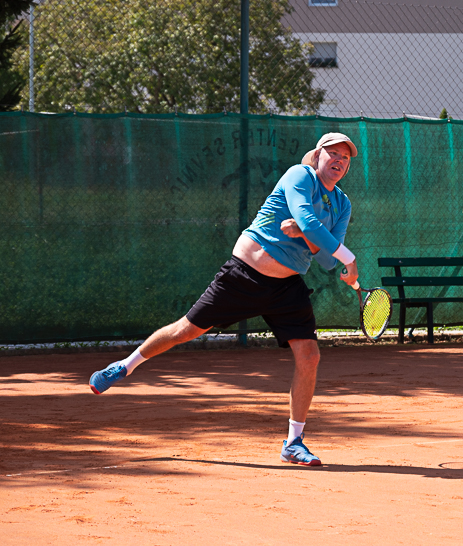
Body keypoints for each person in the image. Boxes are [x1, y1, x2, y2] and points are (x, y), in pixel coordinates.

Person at [89, 132, 360, 467]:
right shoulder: (299, 175)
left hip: (286, 286)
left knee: (310, 356)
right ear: (318, 156)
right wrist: (340, 252)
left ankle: (293, 443)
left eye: (345, 158)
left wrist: (309, 235)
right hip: (243, 275)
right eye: (333, 154)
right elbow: (310, 223)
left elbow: (327, 258)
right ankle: (124, 366)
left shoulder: (342, 204)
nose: (338, 161)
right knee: (185, 331)